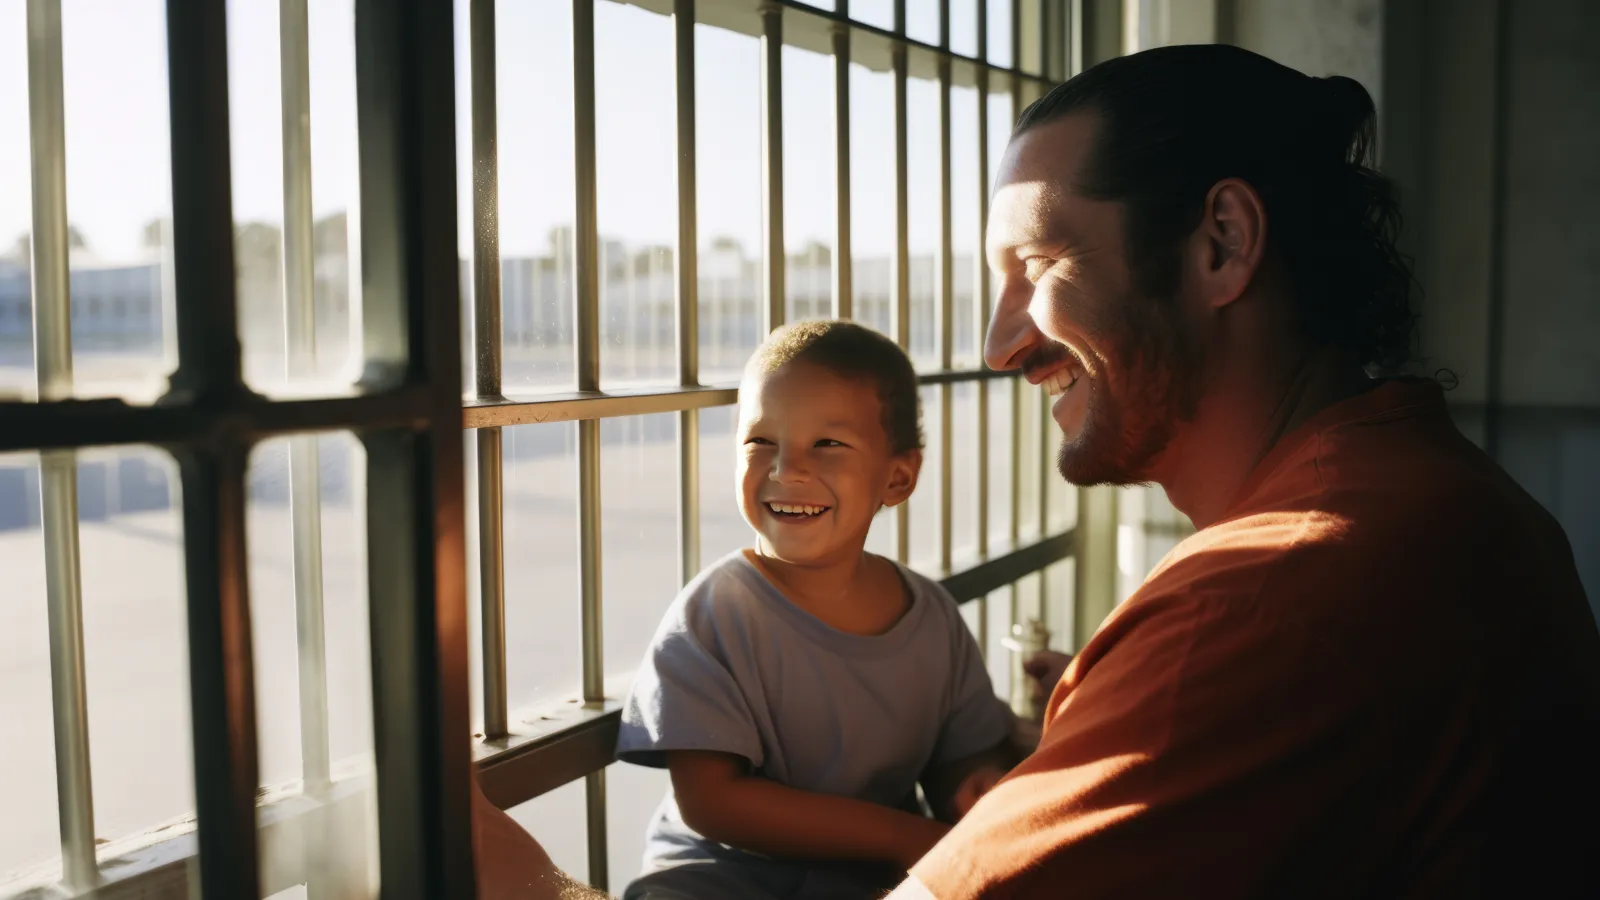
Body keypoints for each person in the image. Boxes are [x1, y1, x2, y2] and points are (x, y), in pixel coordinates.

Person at [475, 43, 1600, 899]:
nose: (1000, 341)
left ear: (1222, 243)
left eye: (1038, 264)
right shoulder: (1450, 503)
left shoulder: (1267, 601)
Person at [612, 320, 1017, 899]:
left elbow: (965, 755)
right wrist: (906, 838)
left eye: (827, 444)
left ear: (898, 476)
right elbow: (712, 802)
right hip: (722, 881)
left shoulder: (931, 616)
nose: (786, 470)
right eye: (761, 442)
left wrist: (976, 785)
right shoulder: (717, 612)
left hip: (875, 880)